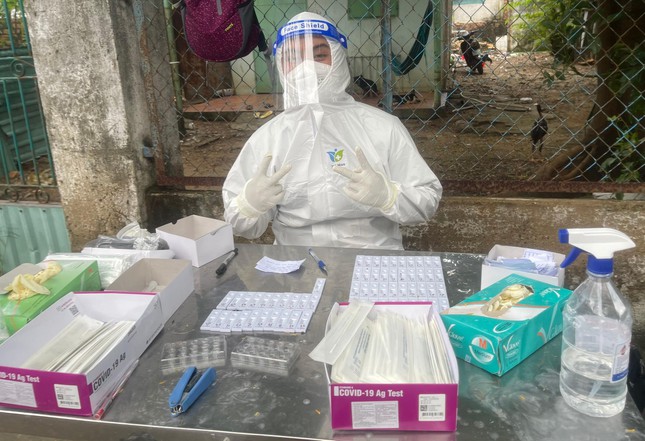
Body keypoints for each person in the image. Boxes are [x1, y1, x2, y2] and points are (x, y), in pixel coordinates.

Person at [222, 12, 442, 250]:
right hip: (296, 259)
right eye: (293, 58)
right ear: (280, 66)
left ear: (338, 58)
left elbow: (427, 200)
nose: (307, 67)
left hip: (373, 256)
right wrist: (249, 204)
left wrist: (389, 196)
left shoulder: (383, 127)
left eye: (319, 55)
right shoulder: (268, 139)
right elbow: (242, 226)